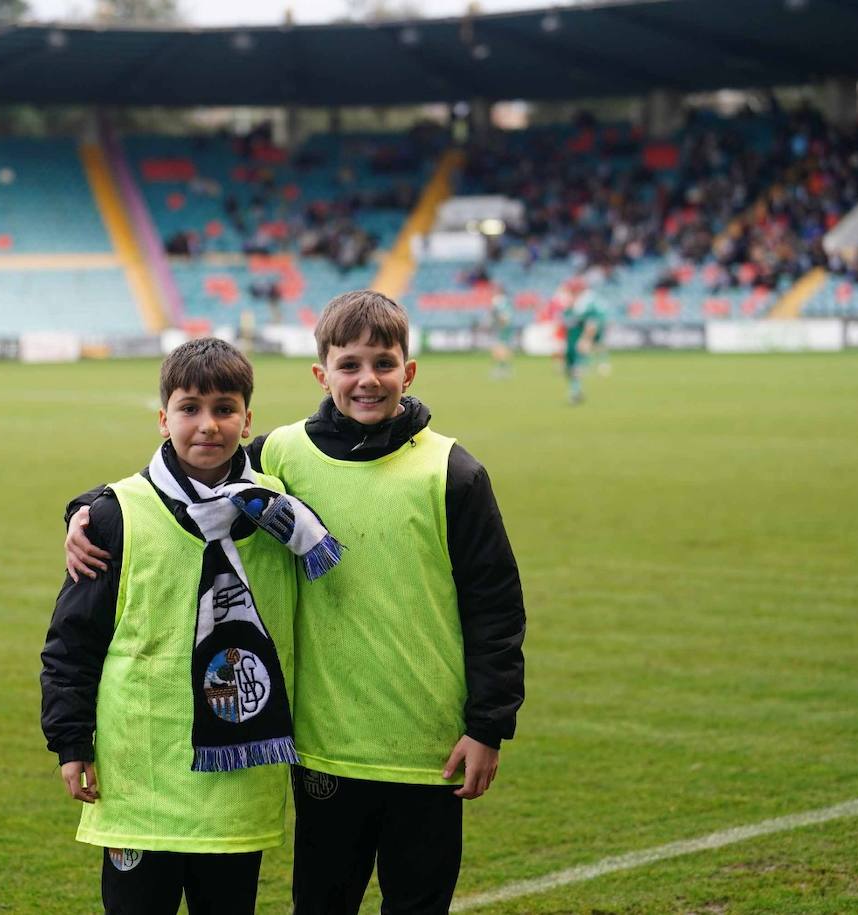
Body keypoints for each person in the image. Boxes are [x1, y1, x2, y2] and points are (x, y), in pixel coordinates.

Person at [65, 291, 526, 913]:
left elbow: (495, 605)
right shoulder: (283, 456)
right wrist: (88, 509)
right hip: (322, 747)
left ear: (408, 372)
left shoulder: (453, 472)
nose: (368, 380)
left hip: (429, 749)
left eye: (384, 364)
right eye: (350, 365)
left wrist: (488, 724)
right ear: (323, 373)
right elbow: (189, 477)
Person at [41, 338, 342, 915]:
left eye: (225, 409)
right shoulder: (112, 515)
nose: (208, 425)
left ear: (248, 420)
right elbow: (72, 644)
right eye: (190, 408)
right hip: (140, 781)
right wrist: (71, 742)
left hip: (238, 788)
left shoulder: (281, 514)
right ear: (163, 419)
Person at [560, 277, 605, 405]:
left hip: (579, 339)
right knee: (569, 368)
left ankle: (575, 392)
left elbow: (592, 323)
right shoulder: (570, 303)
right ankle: (575, 389)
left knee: (577, 366)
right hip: (570, 340)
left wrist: (585, 339)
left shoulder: (587, 304)